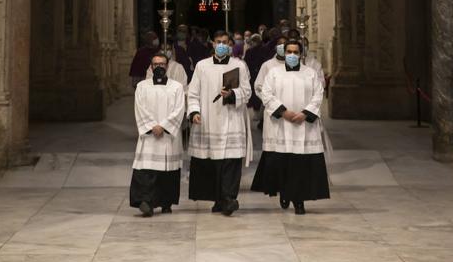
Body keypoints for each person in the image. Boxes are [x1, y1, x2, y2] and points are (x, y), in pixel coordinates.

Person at [251, 39, 330, 215]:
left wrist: (305, 113)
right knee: (284, 163)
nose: (292, 55)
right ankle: (284, 193)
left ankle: (299, 201)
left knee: (301, 166)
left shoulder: (310, 73)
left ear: (301, 54)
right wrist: (283, 112)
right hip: (281, 125)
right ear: (284, 53)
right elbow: (267, 94)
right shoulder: (274, 73)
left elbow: (318, 95)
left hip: (304, 127)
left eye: (296, 52)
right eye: (289, 52)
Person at [188, 30, 252, 215]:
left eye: (225, 42)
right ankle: (218, 199)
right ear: (213, 44)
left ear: (230, 44)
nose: (222, 45)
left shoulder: (239, 65)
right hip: (208, 120)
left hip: (231, 119)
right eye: (218, 41)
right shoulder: (202, 66)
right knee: (212, 163)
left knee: (231, 161)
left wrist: (233, 94)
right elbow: (193, 93)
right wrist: (194, 112)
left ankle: (229, 198)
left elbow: (247, 92)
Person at [130, 52, 186, 217]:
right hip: (149, 136)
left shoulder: (176, 87)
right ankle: (146, 202)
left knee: (168, 171)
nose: (159, 67)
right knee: (147, 170)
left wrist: (164, 126)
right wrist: (152, 126)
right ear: (151, 67)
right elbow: (139, 108)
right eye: (156, 64)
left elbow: (179, 109)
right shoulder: (142, 87)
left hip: (168, 137)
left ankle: (166, 203)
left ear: (167, 66)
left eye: (162, 64)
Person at [254, 32, 287, 101]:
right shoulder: (267, 65)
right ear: (275, 47)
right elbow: (258, 86)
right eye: (280, 44)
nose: (282, 46)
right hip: (272, 105)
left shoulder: (294, 65)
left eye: (285, 44)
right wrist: (270, 100)